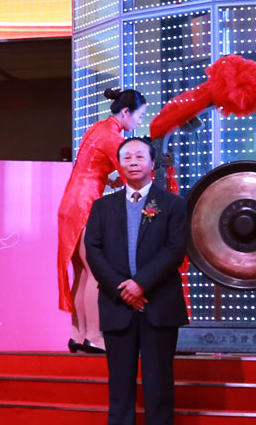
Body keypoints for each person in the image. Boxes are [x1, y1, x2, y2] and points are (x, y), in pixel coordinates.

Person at [83, 137, 189, 425]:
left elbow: (175, 250)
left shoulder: (172, 204)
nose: (133, 162)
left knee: (159, 385)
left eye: (140, 156)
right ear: (119, 164)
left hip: (159, 305)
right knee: (119, 387)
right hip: (117, 305)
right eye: (127, 157)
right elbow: (93, 250)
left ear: (153, 163)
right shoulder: (102, 206)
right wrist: (123, 289)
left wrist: (140, 284)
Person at [58, 87, 146, 353]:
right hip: (85, 204)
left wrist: (108, 180)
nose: (140, 121)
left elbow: (89, 167)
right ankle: (95, 336)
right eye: (140, 116)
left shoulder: (97, 128)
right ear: (126, 112)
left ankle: (77, 335)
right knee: (96, 272)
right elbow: (132, 174)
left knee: (82, 273)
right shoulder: (113, 138)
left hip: (70, 201)